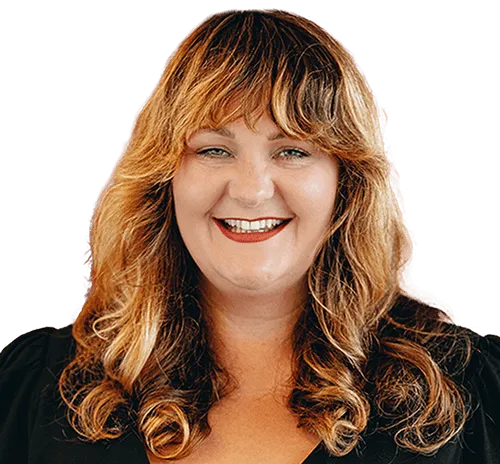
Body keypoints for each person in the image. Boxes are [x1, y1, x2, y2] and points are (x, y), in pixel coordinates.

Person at [0, 7, 498, 464]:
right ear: (164, 178)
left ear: (346, 183)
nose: (252, 191)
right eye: (214, 150)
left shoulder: (475, 391)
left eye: (293, 151)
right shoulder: (32, 389)